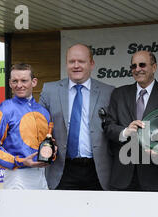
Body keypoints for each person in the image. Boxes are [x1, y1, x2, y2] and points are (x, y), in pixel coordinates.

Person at [39, 43, 115, 190]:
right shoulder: (49, 90)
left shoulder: (108, 92)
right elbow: (38, 126)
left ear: (91, 64)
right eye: (71, 61)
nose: (76, 65)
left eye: (81, 61)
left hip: (98, 171)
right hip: (61, 169)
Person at [105, 51, 158, 191]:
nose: (137, 69)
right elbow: (108, 127)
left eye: (142, 65)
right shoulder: (118, 94)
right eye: (133, 66)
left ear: (154, 67)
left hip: (155, 175)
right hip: (122, 176)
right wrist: (126, 131)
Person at [0, 63, 51, 190]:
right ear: (10, 83)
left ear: (34, 82)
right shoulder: (4, 109)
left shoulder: (44, 112)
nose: (19, 85)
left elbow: (49, 143)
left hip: (42, 175)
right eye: (15, 81)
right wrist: (18, 161)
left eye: (24, 80)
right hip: (17, 176)